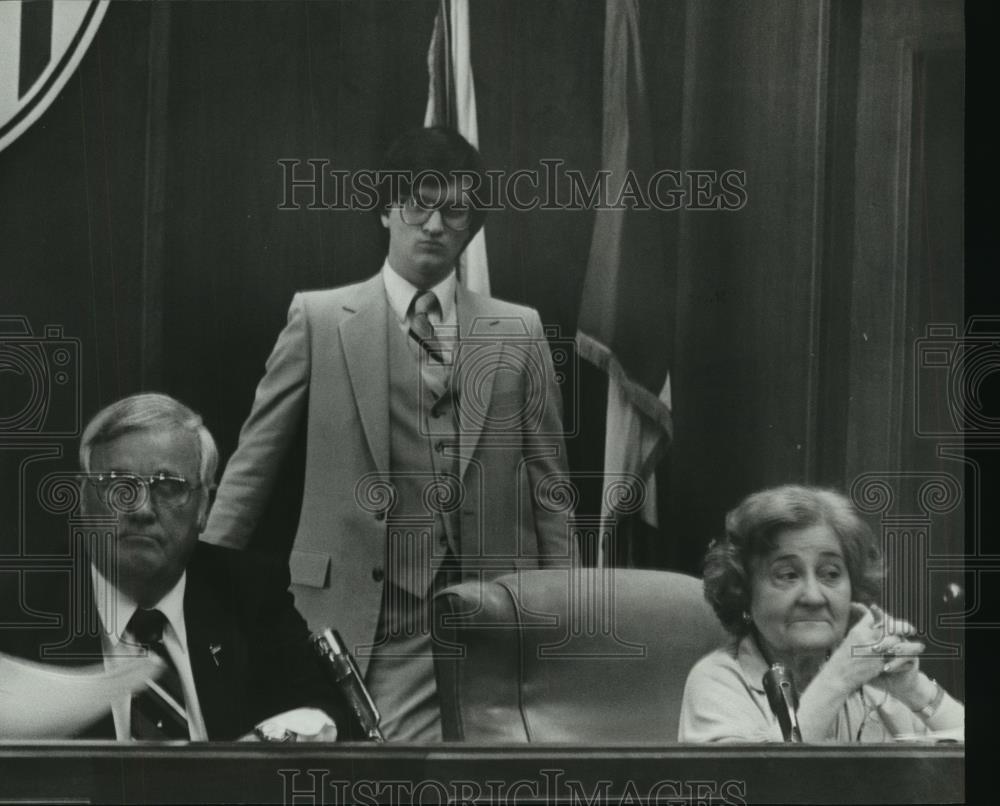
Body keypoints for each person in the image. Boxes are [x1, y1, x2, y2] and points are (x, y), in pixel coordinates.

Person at [202, 125, 575, 740]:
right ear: (386, 209)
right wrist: (204, 591)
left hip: (494, 622)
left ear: (472, 225)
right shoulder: (320, 320)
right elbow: (251, 468)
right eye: (416, 202)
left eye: (453, 209)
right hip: (366, 623)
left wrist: (561, 618)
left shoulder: (519, 330)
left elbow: (551, 493)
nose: (433, 224)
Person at [0, 393, 343, 741]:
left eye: (168, 487)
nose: (142, 509)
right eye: (120, 485)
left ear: (203, 508)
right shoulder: (19, 608)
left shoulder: (248, 594)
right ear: (83, 499)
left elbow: (328, 712)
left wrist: (251, 757)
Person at [679, 484, 964, 742]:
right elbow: (760, 788)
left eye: (830, 573)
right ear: (743, 592)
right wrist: (838, 679)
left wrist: (914, 689)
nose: (813, 596)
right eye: (788, 575)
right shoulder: (717, 681)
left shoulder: (871, 677)